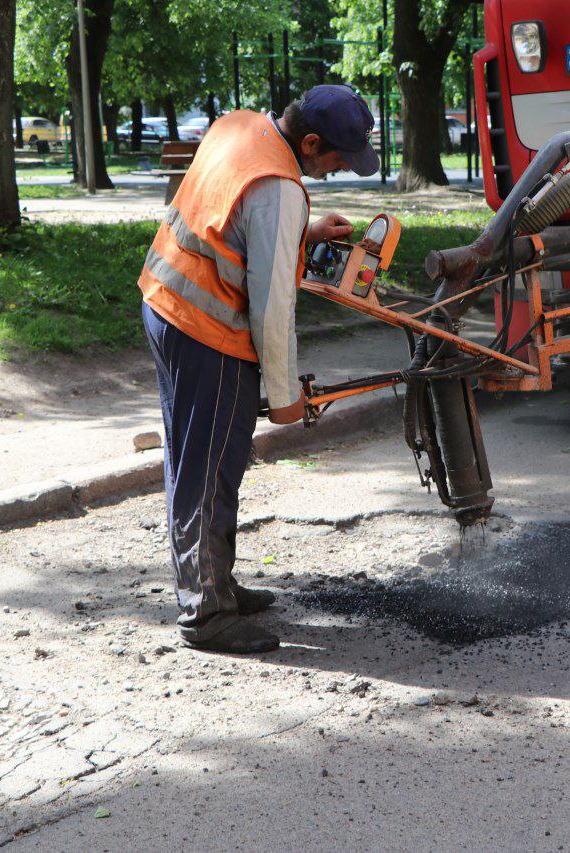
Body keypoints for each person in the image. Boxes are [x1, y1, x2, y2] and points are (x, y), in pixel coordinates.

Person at [138, 85, 380, 653]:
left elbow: (230, 218)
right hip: (208, 331)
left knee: (192, 459)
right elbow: (273, 308)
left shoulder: (242, 126)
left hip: (165, 304)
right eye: (339, 157)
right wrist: (284, 396)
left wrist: (302, 231)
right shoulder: (279, 188)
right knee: (210, 469)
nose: (341, 169)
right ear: (311, 141)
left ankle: (212, 583)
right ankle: (207, 615)